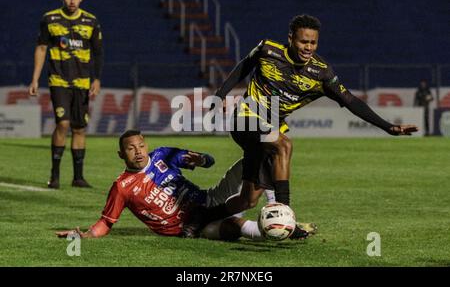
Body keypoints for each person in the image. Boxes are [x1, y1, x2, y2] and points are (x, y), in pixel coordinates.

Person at [184, 14, 419, 237]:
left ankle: (199, 218)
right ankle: (287, 215)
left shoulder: (321, 73)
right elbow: (244, 66)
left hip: (270, 129)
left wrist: (388, 127)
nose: (308, 47)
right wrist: (220, 95)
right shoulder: (268, 50)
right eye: (303, 41)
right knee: (283, 144)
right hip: (246, 117)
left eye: (313, 42)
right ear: (291, 38)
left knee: (248, 200)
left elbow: (351, 101)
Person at [55, 130, 315, 241]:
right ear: (121, 154)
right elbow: (105, 223)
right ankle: (282, 230)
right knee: (233, 227)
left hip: (209, 199)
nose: (138, 151)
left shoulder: (163, 154)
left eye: (141, 145)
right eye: (130, 148)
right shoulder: (122, 187)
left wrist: (201, 159)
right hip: (190, 227)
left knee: (260, 155)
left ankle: (278, 211)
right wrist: (84, 235)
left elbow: (209, 161)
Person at [28, 0, 104, 189]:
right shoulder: (50, 19)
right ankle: (55, 175)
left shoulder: (91, 21)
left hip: (82, 82)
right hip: (58, 79)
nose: (72, 1)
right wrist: (35, 78)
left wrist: (96, 79)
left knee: (79, 128)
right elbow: (41, 48)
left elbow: (98, 53)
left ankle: (78, 177)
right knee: (63, 123)